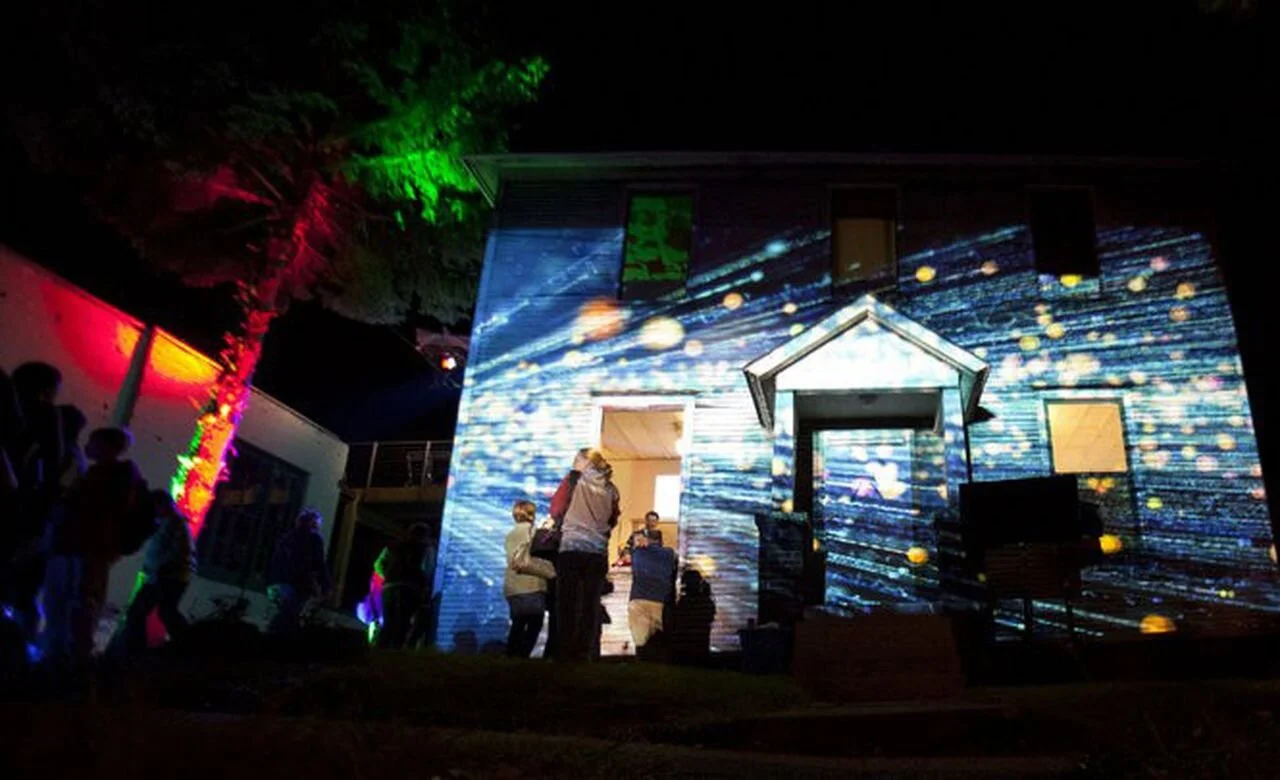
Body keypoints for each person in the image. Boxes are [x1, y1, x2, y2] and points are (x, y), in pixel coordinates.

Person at [41, 427, 147, 669]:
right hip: (84, 547)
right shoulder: (111, 476)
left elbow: (88, 509)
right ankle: (67, 658)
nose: (88, 446)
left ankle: (73, 661)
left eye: (93, 441)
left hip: (88, 548)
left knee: (80, 602)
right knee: (73, 601)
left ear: (108, 447)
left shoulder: (110, 478)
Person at [552, 448, 619, 662]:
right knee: (590, 604)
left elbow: (556, 508)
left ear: (585, 462)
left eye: (576, 460)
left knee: (567, 602)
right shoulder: (611, 488)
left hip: (572, 547)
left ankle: (565, 652)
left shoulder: (574, 479)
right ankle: (584, 652)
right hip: (597, 551)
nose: (573, 464)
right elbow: (613, 518)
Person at [118, 490, 195, 655]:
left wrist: (159, 567)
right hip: (165, 576)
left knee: (139, 612)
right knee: (165, 611)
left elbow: (179, 550)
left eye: (155, 507)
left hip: (166, 577)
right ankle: (187, 645)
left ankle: (135, 653)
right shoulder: (170, 523)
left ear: (162, 504)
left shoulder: (175, 523)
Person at [265, 508, 331, 634]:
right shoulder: (314, 539)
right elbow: (318, 563)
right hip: (297, 584)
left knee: (283, 614)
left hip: (276, 583)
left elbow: (275, 559)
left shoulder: (287, 538)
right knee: (291, 617)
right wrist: (325, 586)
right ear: (314, 523)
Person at [504, 500, 554, 658]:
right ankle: (521, 657)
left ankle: (512, 658)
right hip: (531, 585)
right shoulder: (534, 533)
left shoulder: (510, 534)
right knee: (534, 623)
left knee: (518, 624)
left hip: (513, 587)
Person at [373, 522, 432, 649]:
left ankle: (379, 653)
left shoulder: (392, 546)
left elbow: (378, 564)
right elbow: (427, 569)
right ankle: (396, 655)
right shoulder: (425, 549)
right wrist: (424, 587)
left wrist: (388, 576)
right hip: (410, 588)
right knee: (402, 623)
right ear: (425, 535)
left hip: (389, 587)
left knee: (388, 623)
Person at [628, 532, 676, 659]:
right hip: (662, 601)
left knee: (641, 642)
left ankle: (642, 666)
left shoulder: (638, 553)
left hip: (639, 601)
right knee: (661, 642)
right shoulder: (670, 554)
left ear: (646, 540)